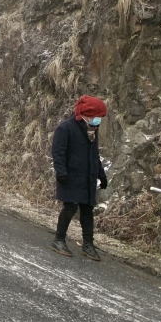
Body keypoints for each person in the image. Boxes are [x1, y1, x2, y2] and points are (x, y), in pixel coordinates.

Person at [50, 95, 109, 261]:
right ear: (88, 114)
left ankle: (88, 244)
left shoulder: (92, 130)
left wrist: (101, 175)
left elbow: (94, 155)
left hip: (87, 178)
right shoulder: (66, 128)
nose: (99, 120)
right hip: (69, 176)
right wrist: (60, 172)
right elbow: (58, 152)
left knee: (87, 209)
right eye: (98, 116)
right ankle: (58, 240)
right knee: (69, 207)